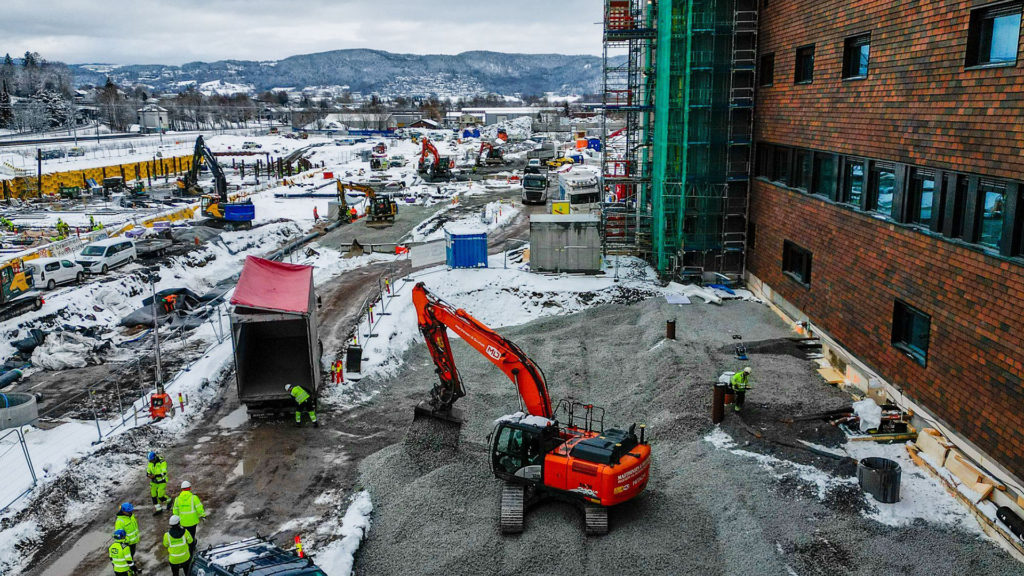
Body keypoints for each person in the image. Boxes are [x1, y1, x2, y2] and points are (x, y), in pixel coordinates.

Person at [172, 480, 206, 555]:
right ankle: (191, 548)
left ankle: (187, 546)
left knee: (185, 535)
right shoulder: (194, 498)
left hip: (183, 522)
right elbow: (199, 508)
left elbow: (175, 511)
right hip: (192, 522)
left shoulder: (177, 499)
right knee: (191, 535)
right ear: (189, 488)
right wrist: (203, 515)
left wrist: (177, 520)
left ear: (182, 489)